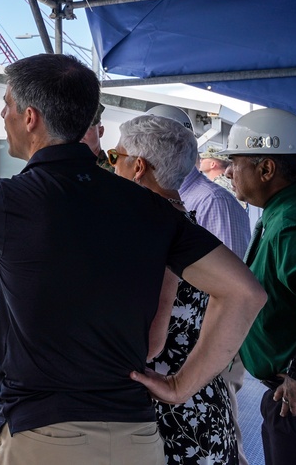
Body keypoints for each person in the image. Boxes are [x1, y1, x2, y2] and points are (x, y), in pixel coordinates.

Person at [0, 52, 266, 465]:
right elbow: (244, 293)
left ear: (30, 117)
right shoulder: (150, 207)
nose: (4, 116)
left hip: (44, 436)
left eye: (8, 107)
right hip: (135, 437)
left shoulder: (7, 200)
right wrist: (181, 385)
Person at [111, 114, 238, 464]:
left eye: (113, 157)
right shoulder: (187, 226)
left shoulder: (159, 232)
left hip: (173, 415)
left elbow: (151, 342)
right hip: (201, 399)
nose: (110, 168)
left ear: (137, 167)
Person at [221, 107, 296, 464]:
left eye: (235, 162)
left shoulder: (294, 222)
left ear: (266, 168)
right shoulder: (291, 210)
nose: (228, 171)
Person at [145, 106, 253, 465]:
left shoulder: (211, 203)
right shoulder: (172, 211)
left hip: (200, 361)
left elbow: (231, 293)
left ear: (145, 160)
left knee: (220, 438)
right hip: (182, 372)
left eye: (119, 156)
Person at [80, 102, 112, 171]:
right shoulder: (65, 164)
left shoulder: (112, 171)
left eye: (87, 128)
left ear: (100, 132)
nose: (80, 133)